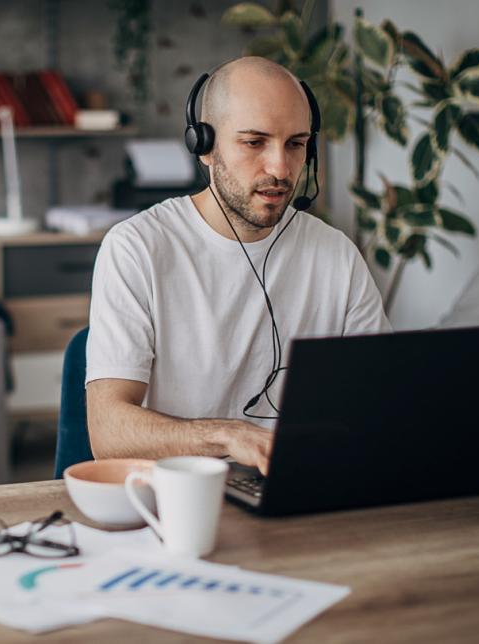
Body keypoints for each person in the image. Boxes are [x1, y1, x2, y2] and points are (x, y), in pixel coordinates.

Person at [85, 57, 390, 475]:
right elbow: (108, 434)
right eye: (254, 142)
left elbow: (381, 401)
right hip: (182, 501)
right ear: (204, 146)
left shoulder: (334, 253)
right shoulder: (137, 247)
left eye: (296, 144)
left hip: (302, 486)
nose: (280, 169)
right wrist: (229, 436)